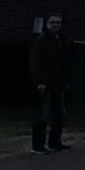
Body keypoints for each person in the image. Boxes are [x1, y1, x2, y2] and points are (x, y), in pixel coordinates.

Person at [30, 15, 70, 153]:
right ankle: (38, 146)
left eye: (58, 23)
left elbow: (64, 62)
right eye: (53, 22)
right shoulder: (41, 41)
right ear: (47, 24)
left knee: (59, 113)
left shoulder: (61, 40)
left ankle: (55, 142)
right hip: (45, 83)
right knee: (42, 114)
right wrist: (40, 81)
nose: (55, 25)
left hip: (58, 83)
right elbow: (36, 62)